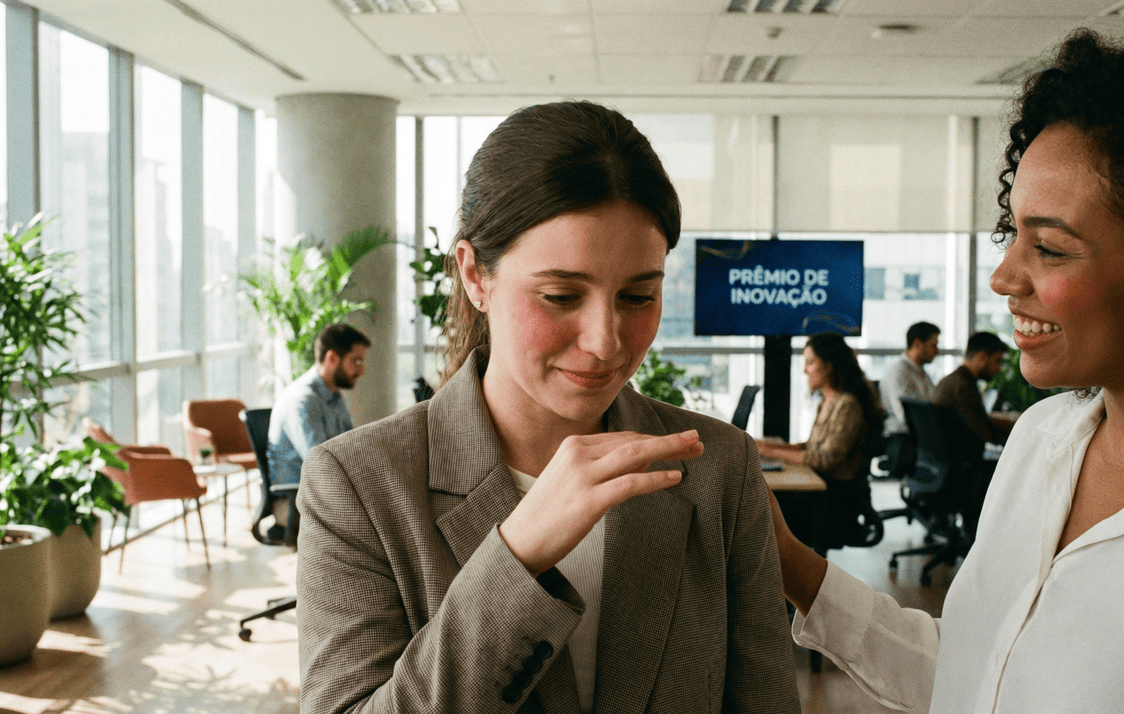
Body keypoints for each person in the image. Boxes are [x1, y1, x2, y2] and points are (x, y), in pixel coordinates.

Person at [769, 27, 1124, 713]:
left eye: (1049, 248)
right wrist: (788, 563)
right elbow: (978, 678)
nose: (1004, 274)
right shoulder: (1044, 437)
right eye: (1012, 233)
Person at [296, 101, 799, 713]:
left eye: (638, 296)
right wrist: (519, 553)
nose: (605, 341)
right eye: (561, 296)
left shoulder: (718, 468)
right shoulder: (359, 485)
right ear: (476, 275)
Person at [756, 332, 881, 485]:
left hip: (833, 491)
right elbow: (810, 448)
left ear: (829, 365)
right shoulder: (828, 400)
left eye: (810, 362)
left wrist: (773, 452)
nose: (805, 370)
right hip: (820, 481)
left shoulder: (847, 405)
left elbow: (825, 460)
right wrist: (766, 446)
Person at [267, 323, 369, 487]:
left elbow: (351, 448)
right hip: (300, 498)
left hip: (328, 490)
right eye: (356, 361)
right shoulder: (302, 400)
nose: (362, 370)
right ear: (332, 358)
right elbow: (320, 466)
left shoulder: (334, 394)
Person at [878, 321, 940, 479]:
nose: (937, 351)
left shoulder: (922, 374)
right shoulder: (899, 372)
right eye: (933, 345)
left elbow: (934, 406)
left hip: (919, 438)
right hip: (902, 439)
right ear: (918, 344)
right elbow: (906, 417)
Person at [932, 331, 1014, 447]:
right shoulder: (964, 387)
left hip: (947, 455)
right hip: (965, 458)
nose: (998, 368)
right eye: (997, 361)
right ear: (982, 357)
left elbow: (978, 420)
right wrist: (1019, 430)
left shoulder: (952, 380)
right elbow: (987, 433)